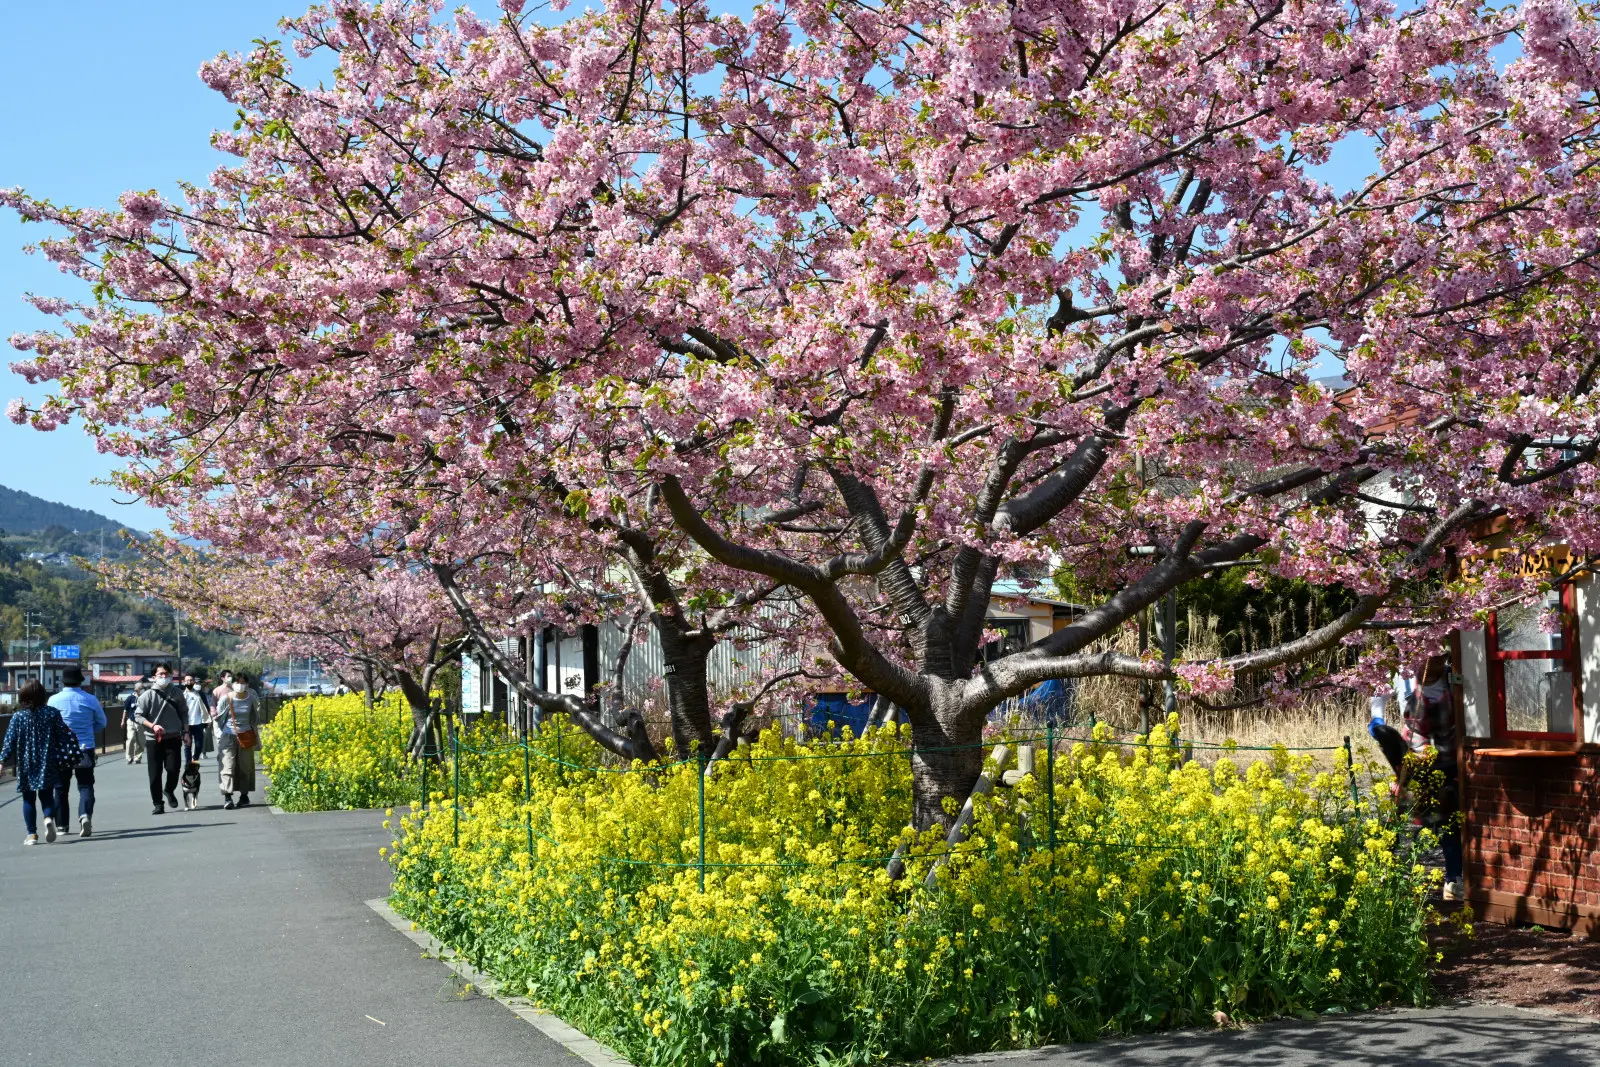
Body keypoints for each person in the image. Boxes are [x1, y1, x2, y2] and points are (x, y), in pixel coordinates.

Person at [0, 681, 81, 845]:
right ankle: (48, 818)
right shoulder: (51, 713)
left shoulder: (18, 717)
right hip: (48, 760)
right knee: (47, 796)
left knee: (28, 799)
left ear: (23, 696)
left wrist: (2, 761)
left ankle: (31, 835)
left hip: (26, 763)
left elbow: (9, 742)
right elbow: (64, 735)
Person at [47, 667, 106, 838]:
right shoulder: (90, 699)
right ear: (81, 681)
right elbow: (102, 722)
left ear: (63, 682)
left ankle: (62, 826)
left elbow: (51, 726)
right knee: (85, 785)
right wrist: (88, 729)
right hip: (84, 748)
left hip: (61, 749)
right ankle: (85, 815)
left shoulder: (53, 700)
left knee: (60, 788)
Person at [134, 663, 188, 814]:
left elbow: (184, 713)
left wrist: (186, 732)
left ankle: (169, 790)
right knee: (155, 773)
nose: (163, 677)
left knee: (173, 769)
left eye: (166, 674)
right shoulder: (147, 696)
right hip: (153, 739)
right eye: (160, 675)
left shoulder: (177, 693)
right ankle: (158, 803)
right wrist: (152, 726)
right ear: (153, 677)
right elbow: (138, 716)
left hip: (174, 737)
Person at [215, 671, 261, 809]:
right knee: (227, 765)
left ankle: (244, 795)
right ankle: (227, 796)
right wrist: (220, 734)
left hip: (245, 735)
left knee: (245, 767)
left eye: (242, 683)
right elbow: (219, 718)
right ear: (232, 683)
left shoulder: (251, 698)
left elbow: (255, 718)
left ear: (247, 684)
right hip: (228, 735)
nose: (240, 685)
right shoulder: (226, 698)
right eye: (237, 682)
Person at [181, 673, 210, 768]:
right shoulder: (181, 695)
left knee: (199, 745)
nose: (189, 682)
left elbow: (206, 707)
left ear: (193, 682)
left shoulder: (200, 694)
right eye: (187, 680)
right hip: (186, 724)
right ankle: (188, 764)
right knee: (187, 746)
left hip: (198, 723)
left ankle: (195, 759)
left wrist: (206, 721)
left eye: (191, 680)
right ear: (184, 682)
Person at [122, 683, 145, 764]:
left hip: (141, 722)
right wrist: (123, 721)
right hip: (131, 721)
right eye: (139, 688)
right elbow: (125, 710)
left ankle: (137, 757)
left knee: (140, 740)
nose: (140, 690)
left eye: (141, 688)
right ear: (135, 689)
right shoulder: (130, 698)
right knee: (131, 738)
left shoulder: (144, 697)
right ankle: (129, 757)